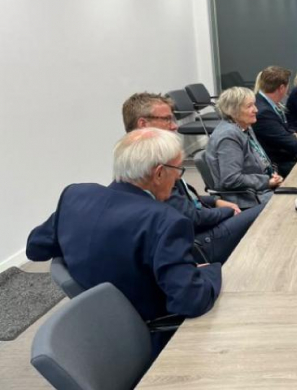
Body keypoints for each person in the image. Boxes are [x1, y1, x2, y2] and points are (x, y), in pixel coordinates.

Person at [26, 128, 221, 358]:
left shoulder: (75, 195)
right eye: (178, 169)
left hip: (103, 333)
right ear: (159, 174)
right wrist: (211, 271)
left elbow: (35, 248)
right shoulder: (166, 222)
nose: (179, 177)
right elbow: (191, 302)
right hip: (157, 339)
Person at [122, 92, 264, 264]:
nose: (175, 126)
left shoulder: (136, 156)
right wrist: (226, 211)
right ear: (143, 123)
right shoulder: (150, 164)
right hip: (200, 241)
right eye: (167, 119)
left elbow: (183, 199)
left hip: (202, 222)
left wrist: (215, 201)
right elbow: (192, 218)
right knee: (268, 209)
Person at [205, 87, 283, 209]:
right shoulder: (228, 137)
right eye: (249, 106)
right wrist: (266, 182)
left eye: (254, 105)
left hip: (260, 189)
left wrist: (271, 174)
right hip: (247, 199)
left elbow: (259, 158)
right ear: (233, 111)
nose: (256, 110)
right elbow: (231, 179)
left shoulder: (244, 126)